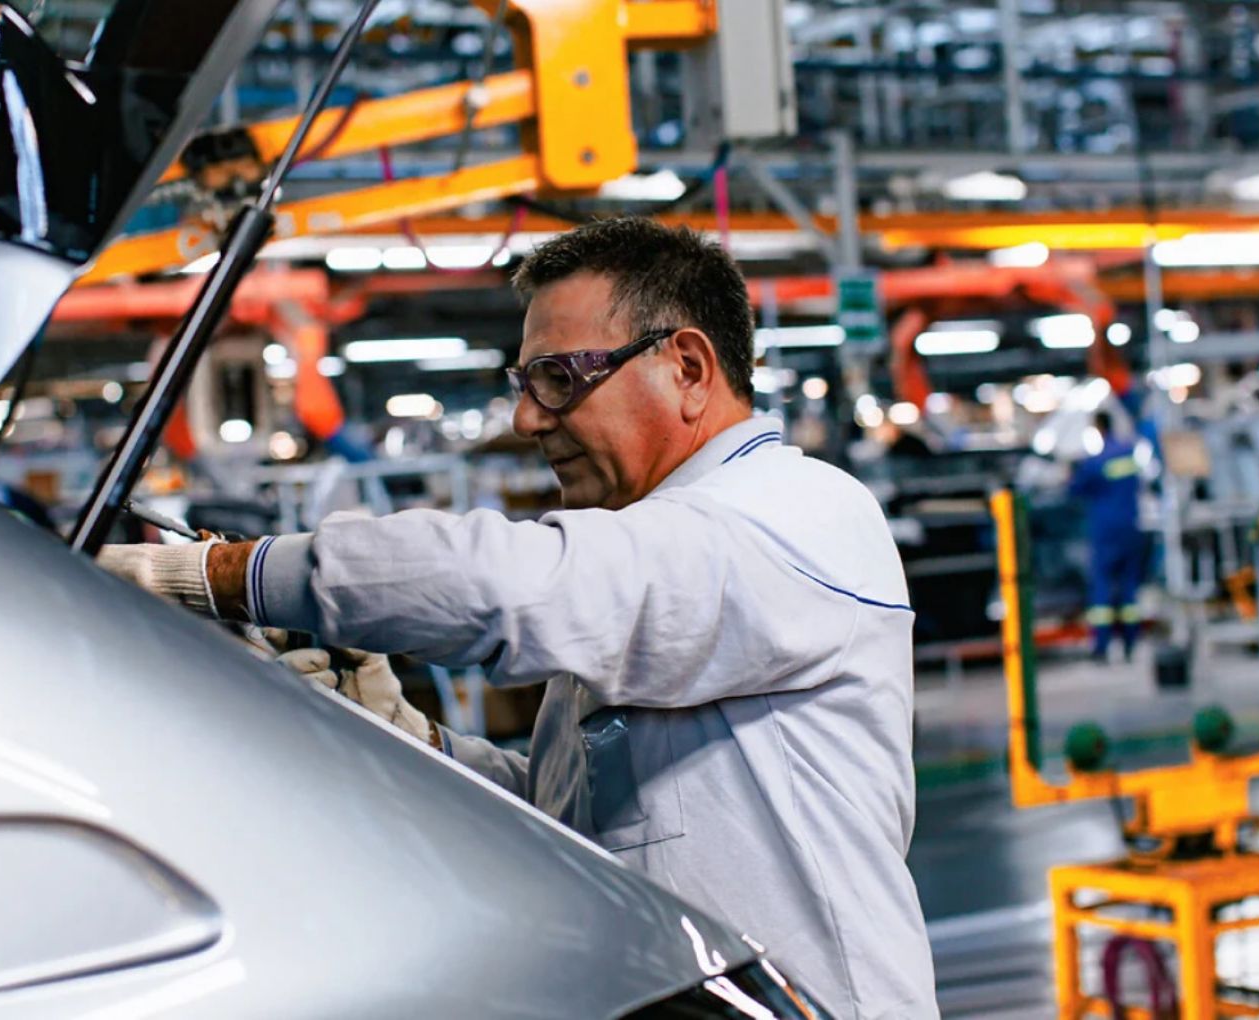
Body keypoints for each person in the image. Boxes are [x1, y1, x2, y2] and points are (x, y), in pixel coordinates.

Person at [99, 217, 936, 1019]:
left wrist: (220, 575)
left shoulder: (791, 515)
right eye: (525, 384)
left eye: (560, 379)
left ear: (686, 367)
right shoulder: (661, 554)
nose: (529, 418)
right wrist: (415, 741)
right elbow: (573, 822)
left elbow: (509, 583)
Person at [1069, 409, 1147, 662]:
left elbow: (1075, 490)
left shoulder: (1094, 462)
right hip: (1132, 526)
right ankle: (1130, 643)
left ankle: (1101, 646)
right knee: (1129, 587)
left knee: (1101, 587)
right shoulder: (1128, 453)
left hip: (1105, 531)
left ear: (1097, 429)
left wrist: (1070, 470)